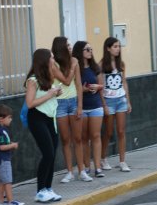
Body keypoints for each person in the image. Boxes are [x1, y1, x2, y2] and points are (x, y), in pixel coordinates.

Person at [51, 37, 92, 183]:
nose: (70, 47)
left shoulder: (74, 60)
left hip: (74, 102)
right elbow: (67, 81)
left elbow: (78, 84)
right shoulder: (53, 63)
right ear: (61, 47)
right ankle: (69, 171)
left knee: (78, 138)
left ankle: (82, 170)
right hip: (60, 103)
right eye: (67, 45)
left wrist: (80, 105)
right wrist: (74, 65)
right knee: (66, 139)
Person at [25, 48, 63, 203]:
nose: (54, 60)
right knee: (47, 153)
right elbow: (30, 103)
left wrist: (56, 93)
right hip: (37, 118)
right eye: (52, 57)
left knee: (52, 153)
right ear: (44, 60)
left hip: (49, 118)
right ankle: (40, 190)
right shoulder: (32, 80)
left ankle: (48, 188)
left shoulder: (48, 78)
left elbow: (48, 97)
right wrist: (50, 94)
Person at [72, 41, 105, 178]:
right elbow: (72, 87)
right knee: (84, 138)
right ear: (80, 51)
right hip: (82, 107)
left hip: (96, 105)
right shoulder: (75, 68)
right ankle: (86, 167)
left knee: (96, 136)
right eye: (87, 49)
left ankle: (98, 167)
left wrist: (97, 87)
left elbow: (102, 85)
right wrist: (83, 89)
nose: (90, 51)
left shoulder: (95, 67)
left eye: (91, 49)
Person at [100, 37, 132, 172]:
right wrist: (104, 105)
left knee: (121, 131)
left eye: (119, 46)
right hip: (108, 101)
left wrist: (128, 100)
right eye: (115, 46)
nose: (118, 49)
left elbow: (124, 82)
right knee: (108, 132)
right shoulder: (101, 65)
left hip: (120, 100)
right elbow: (100, 86)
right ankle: (103, 158)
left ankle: (122, 161)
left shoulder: (121, 64)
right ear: (108, 48)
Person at [0, 104, 24, 205]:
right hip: (2, 160)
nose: (11, 119)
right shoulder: (1, 131)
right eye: (9, 117)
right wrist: (13, 145)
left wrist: (10, 143)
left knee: (1, 181)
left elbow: (2, 143)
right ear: (1, 119)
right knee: (7, 181)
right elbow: (2, 147)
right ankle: (11, 201)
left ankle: (0, 201)